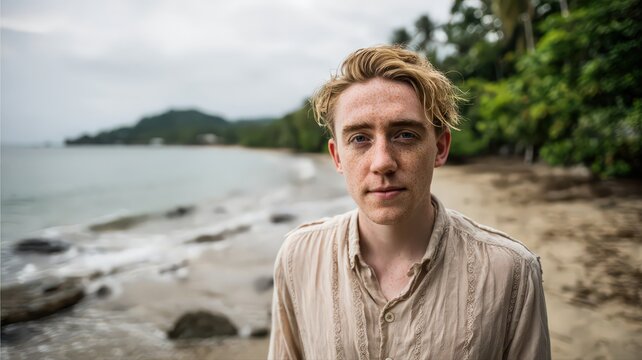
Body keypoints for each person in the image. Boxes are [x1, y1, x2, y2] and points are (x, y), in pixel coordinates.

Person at [268, 45, 551, 360]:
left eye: (404, 135)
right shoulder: (299, 258)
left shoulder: (510, 270)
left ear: (440, 148)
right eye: (359, 139)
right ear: (337, 157)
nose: (382, 163)